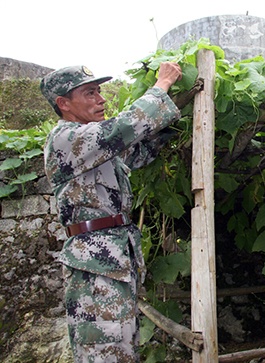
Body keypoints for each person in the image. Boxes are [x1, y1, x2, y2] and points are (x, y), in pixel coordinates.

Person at [40, 62, 183, 361]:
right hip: (95, 264)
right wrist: (162, 84)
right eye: (90, 93)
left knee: (123, 347)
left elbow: (141, 151)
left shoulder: (93, 144)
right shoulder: (67, 139)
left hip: (114, 259)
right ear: (63, 104)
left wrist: (178, 115)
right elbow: (125, 128)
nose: (101, 99)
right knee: (104, 351)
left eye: (100, 91)